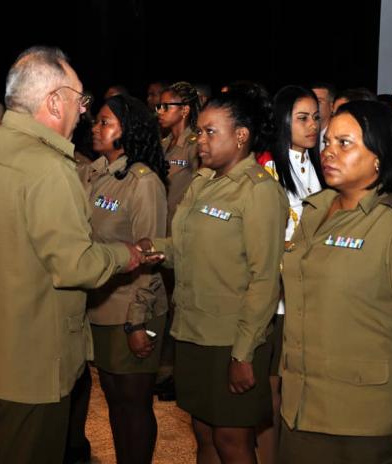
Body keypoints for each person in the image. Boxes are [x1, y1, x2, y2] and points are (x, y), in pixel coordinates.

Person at [0, 46, 142, 463]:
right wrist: (123, 255)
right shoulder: (49, 167)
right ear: (54, 101)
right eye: (80, 99)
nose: (84, 112)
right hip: (30, 364)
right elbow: (75, 265)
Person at [279, 100, 392, 464]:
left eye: (345, 143)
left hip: (363, 418)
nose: (329, 153)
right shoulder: (315, 210)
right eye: (327, 142)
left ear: (379, 155)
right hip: (300, 404)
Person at [139, 90, 288, 463]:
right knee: (203, 433)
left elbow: (265, 279)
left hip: (232, 339)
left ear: (241, 135)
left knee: (232, 441)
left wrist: (243, 354)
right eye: (199, 132)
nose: (199, 141)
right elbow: (184, 248)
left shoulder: (259, 191)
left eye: (209, 132)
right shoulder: (203, 182)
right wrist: (147, 248)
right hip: (192, 331)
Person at [75, 94, 169, 463]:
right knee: (114, 399)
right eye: (96, 121)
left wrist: (137, 320)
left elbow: (150, 254)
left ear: (127, 130)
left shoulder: (142, 182)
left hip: (130, 307)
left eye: (105, 122)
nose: (96, 128)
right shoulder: (93, 172)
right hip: (98, 304)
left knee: (133, 404)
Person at [254, 84, 325, 464]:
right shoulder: (266, 168)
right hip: (278, 299)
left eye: (316, 116)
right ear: (284, 121)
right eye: (303, 118)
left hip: (314, 297)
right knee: (273, 388)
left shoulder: (324, 164)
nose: (313, 125)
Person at [154, 81, 201, 400]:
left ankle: (178, 373)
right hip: (162, 235)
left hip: (183, 237)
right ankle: (165, 369)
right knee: (165, 304)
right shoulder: (163, 143)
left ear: (184, 110)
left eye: (166, 106)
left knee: (180, 306)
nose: (159, 111)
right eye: (158, 106)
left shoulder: (196, 144)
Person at [311, 82, 336, 149]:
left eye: (318, 101)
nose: (313, 105)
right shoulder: (301, 135)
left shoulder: (338, 136)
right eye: (311, 101)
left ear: (331, 106)